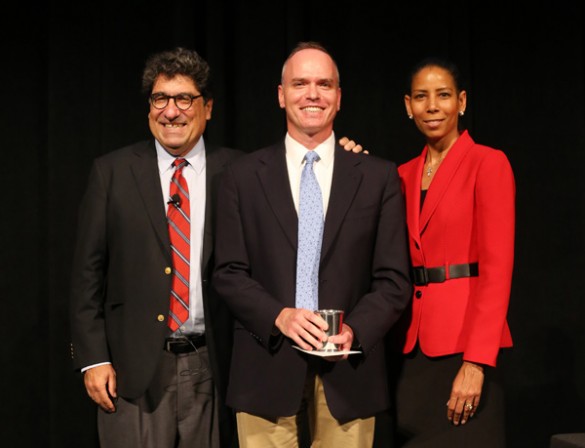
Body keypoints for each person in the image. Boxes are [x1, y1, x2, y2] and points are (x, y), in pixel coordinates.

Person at [68, 46, 365, 448]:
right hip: (132, 369)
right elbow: (87, 274)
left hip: (217, 365)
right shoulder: (112, 172)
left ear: (207, 108)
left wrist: (342, 157)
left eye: (184, 99)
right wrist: (94, 358)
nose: (171, 111)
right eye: (160, 99)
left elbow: (311, 179)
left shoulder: (244, 172)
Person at [212, 41, 412, 448]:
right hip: (264, 367)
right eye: (300, 83)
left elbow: (393, 279)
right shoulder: (241, 176)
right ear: (281, 94)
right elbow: (228, 272)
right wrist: (279, 317)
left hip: (349, 372)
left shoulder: (378, 177)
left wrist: (355, 330)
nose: (312, 94)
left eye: (324, 84)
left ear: (339, 97)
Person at [389, 56, 515, 447]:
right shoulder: (401, 174)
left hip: (466, 348)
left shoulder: (488, 163)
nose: (432, 106)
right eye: (421, 97)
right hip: (412, 351)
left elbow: (497, 271)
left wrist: (476, 362)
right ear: (407, 106)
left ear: (461, 102)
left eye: (443, 95)